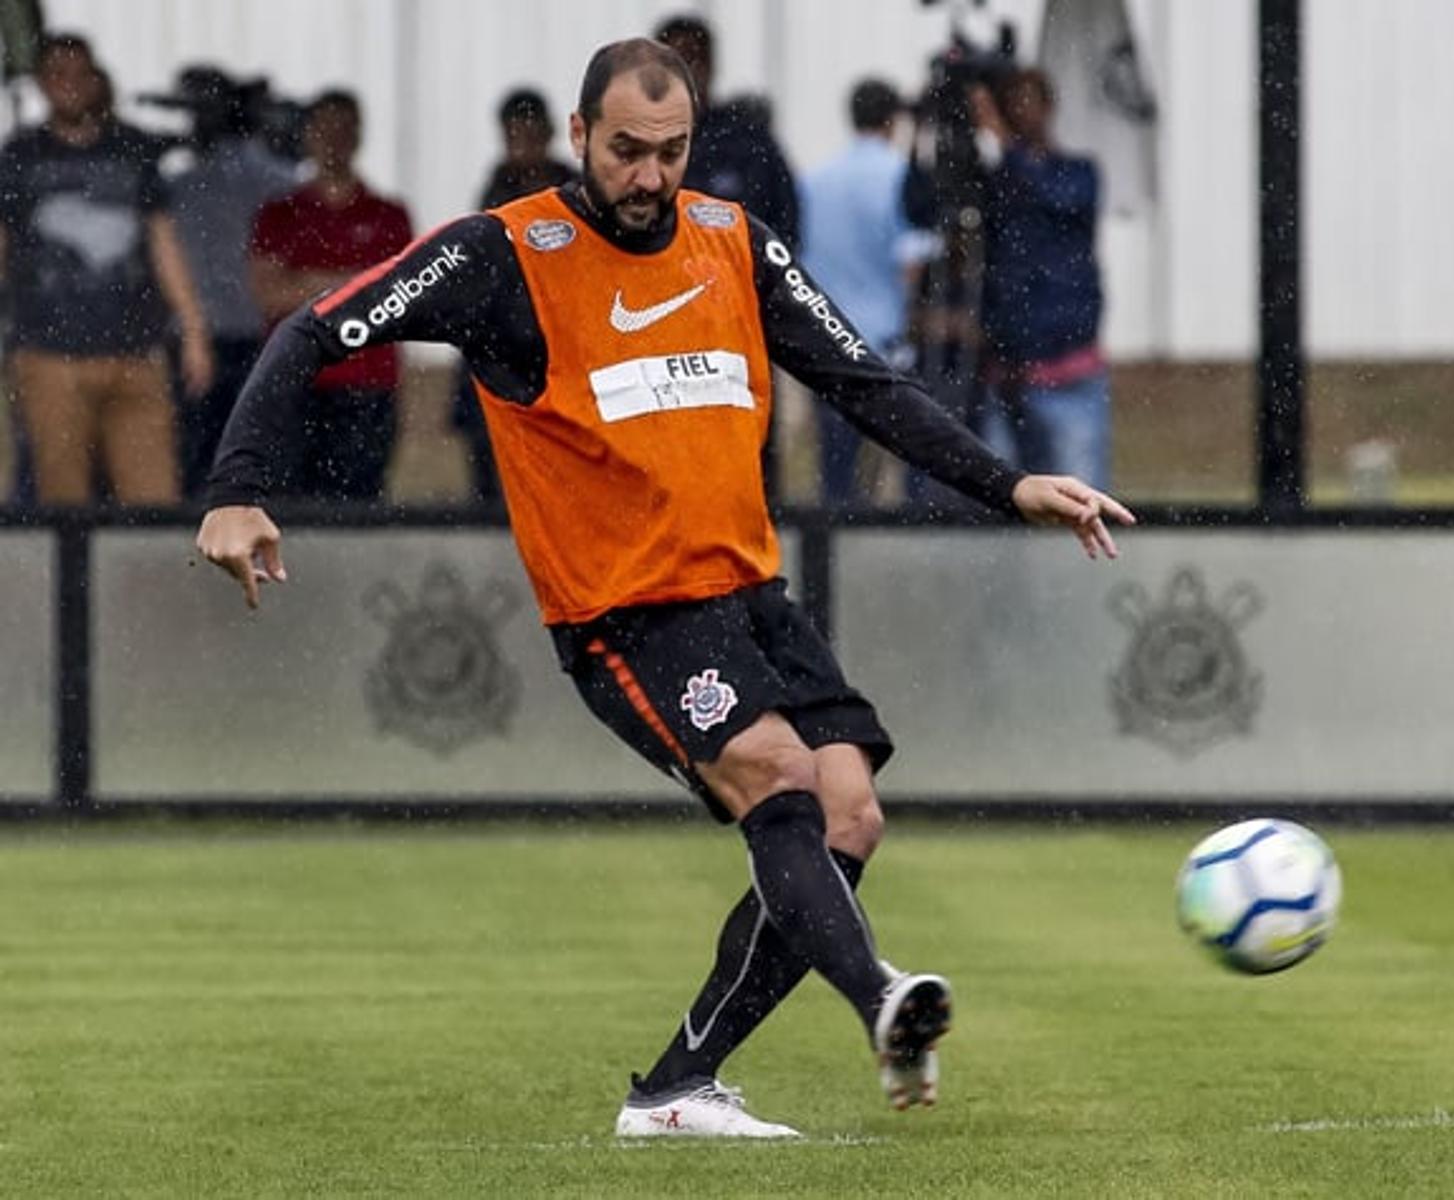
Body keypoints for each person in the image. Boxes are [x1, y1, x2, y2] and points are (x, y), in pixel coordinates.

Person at [196, 37, 1131, 1140]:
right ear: (581, 135)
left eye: (672, 152)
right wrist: (236, 489)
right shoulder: (505, 253)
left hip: (748, 593)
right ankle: (881, 998)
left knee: (851, 814)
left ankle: (676, 1088)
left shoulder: (732, 240)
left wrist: (1010, 482)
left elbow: (863, 382)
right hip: (624, 613)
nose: (651, 177)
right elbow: (314, 329)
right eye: (629, 151)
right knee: (779, 781)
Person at [0, 33, 212, 506]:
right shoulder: (19, 156)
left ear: (95, 80)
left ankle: (141, 581)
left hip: (136, 352)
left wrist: (194, 328)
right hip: (50, 355)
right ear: (41, 83)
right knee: (64, 500)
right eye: (58, 74)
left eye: (79, 74)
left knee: (152, 499)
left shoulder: (132, 149)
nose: (69, 84)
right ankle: (73, 584)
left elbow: (163, 243)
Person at [247, 89, 412, 500]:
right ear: (307, 136)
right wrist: (352, 281)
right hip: (295, 383)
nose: (334, 139)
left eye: (344, 129)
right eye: (324, 129)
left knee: (357, 512)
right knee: (288, 509)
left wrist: (307, 283)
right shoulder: (280, 214)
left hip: (367, 387)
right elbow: (269, 296)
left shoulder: (389, 215)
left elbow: (399, 300)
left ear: (358, 136)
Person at [161, 66, 300, 498]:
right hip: (207, 336)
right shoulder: (271, 178)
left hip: (239, 333)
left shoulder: (192, 182)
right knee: (229, 455)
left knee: (214, 459)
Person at [976, 68, 1110, 490]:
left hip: (1066, 363)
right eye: (1010, 104)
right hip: (1006, 371)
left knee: (1080, 496)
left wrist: (1005, 143)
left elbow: (1055, 198)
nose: (1019, 113)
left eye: (1027, 102)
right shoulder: (995, 182)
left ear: (1048, 107)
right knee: (1002, 499)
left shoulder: (1077, 173)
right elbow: (924, 207)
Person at [453, 87, 578, 503]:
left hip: (562, 348)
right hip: (503, 349)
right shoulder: (494, 194)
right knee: (495, 470)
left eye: (531, 134)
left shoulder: (574, 192)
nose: (524, 146)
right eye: (516, 135)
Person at [800, 78, 919, 508]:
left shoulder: (815, 179)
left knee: (836, 476)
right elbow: (913, 260)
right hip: (887, 342)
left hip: (826, 340)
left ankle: (833, 565)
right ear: (893, 121)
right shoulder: (901, 176)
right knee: (903, 469)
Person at [653, 14, 801, 248]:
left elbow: (784, 223)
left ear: (710, 65)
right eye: (672, 65)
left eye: (692, 59)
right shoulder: (638, 145)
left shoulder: (748, 141)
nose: (684, 74)